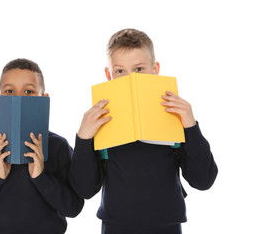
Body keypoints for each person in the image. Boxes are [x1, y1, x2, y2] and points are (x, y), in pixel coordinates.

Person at [69, 29, 218, 234]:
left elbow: (203, 180)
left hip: (168, 226)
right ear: (108, 75)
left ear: (154, 70)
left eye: (139, 69)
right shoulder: (99, 121)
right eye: (120, 71)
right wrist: (83, 139)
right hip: (115, 227)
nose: (131, 78)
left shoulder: (173, 116)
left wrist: (190, 126)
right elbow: (84, 189)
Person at [0, 58, 84, 234]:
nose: (18, 97)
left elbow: (73, 208)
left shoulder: (58, 146)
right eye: (9, 91)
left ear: (43, 98)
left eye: (29, 91)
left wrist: (41, 177)